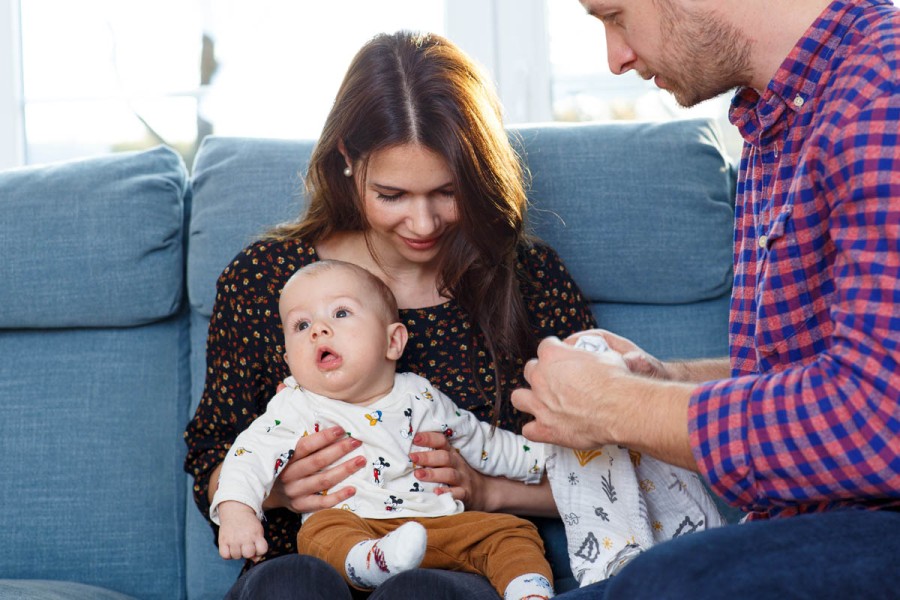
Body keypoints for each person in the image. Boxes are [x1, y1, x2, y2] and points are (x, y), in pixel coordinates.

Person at [184, 30, 600, 599]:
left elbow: (604, 466)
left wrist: (489, 492)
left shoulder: (526, 280)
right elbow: (211, 453)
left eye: (447, 192)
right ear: (347, 162)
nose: (424, 224)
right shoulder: (269, 280)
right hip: (305, 561)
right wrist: (281, 489)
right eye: (393, 195)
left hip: (458, 563)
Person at [512, 1, 900, 598]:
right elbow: (815, 372)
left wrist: (617, 406)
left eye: (614, 16)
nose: (616, 58)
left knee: (664, 583)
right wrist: (665, 379)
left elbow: (881, 418)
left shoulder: (882, 94)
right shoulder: (778, 123)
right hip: (807, 523)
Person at [213, 260, 555, 599]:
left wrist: (546, 458)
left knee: (512, 530)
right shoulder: (297, 405)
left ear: (393, 341)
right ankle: (370, 560)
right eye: (301, 325)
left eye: (341, 313)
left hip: (437, 524)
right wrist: (238, 511)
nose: (318, 329)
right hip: (351, 526)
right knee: (319, 531)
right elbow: (248, 455)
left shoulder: (421, 395)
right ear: (288, 360)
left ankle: (527, 590)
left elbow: (483, 442)